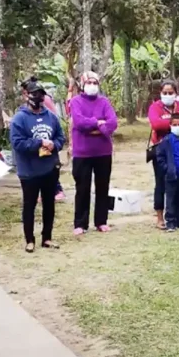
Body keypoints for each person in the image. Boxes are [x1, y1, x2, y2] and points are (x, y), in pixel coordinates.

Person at [11, 80, 65, 252]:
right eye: (34, 94)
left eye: (41, 94)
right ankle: (29, 239)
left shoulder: (51, 117)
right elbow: (17, 143)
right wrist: (39, 143)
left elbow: (61, 138)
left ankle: (47, 238)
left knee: (49, 204)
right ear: (27, 95)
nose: (38, 97)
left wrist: (53, 145)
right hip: (29, 171)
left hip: (49, 168)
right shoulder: (19, 119)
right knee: (29, 205)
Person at [68, 71, 118, 235]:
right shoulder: (75, 102)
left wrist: (97, 129)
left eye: (95, 82)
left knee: (103, 187)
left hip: (103, 152)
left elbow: (113, 122)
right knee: (82, 188)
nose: (92, 85)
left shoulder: (104, 102)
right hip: (82, 153)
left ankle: (101, 221)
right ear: (82, 84)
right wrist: (98, 123)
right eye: (89, 82)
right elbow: (80, 122)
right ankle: (80, 223)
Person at [148, 80, 179, 230]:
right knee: (161, 184)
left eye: (170, 92)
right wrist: (176, 121)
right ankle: (161, 217)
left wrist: (166, 121)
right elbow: (155, 124)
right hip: (162, 150)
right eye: (165, 93)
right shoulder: (155, 107)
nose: (168, 95)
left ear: (176, 93)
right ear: (160, 93)